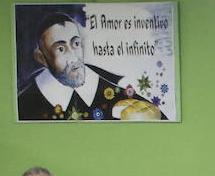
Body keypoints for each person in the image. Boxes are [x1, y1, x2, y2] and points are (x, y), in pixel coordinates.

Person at [16, 11, 164, 121]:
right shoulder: (25, 104)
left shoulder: (116, 93)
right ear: (42, 58)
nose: (73, 57)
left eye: (76, 44)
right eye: (61, 49)